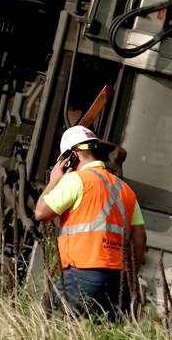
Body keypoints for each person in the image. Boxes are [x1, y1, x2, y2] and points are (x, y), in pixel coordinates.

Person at [33, 125, 146, 318]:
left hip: (83, 274)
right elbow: (139, 240)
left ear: (73, 156)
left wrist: (54, 180)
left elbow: (40, 213)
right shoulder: (126, 190)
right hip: (118, 282)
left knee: (47, 323)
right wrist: (130, 279)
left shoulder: (76, 181)